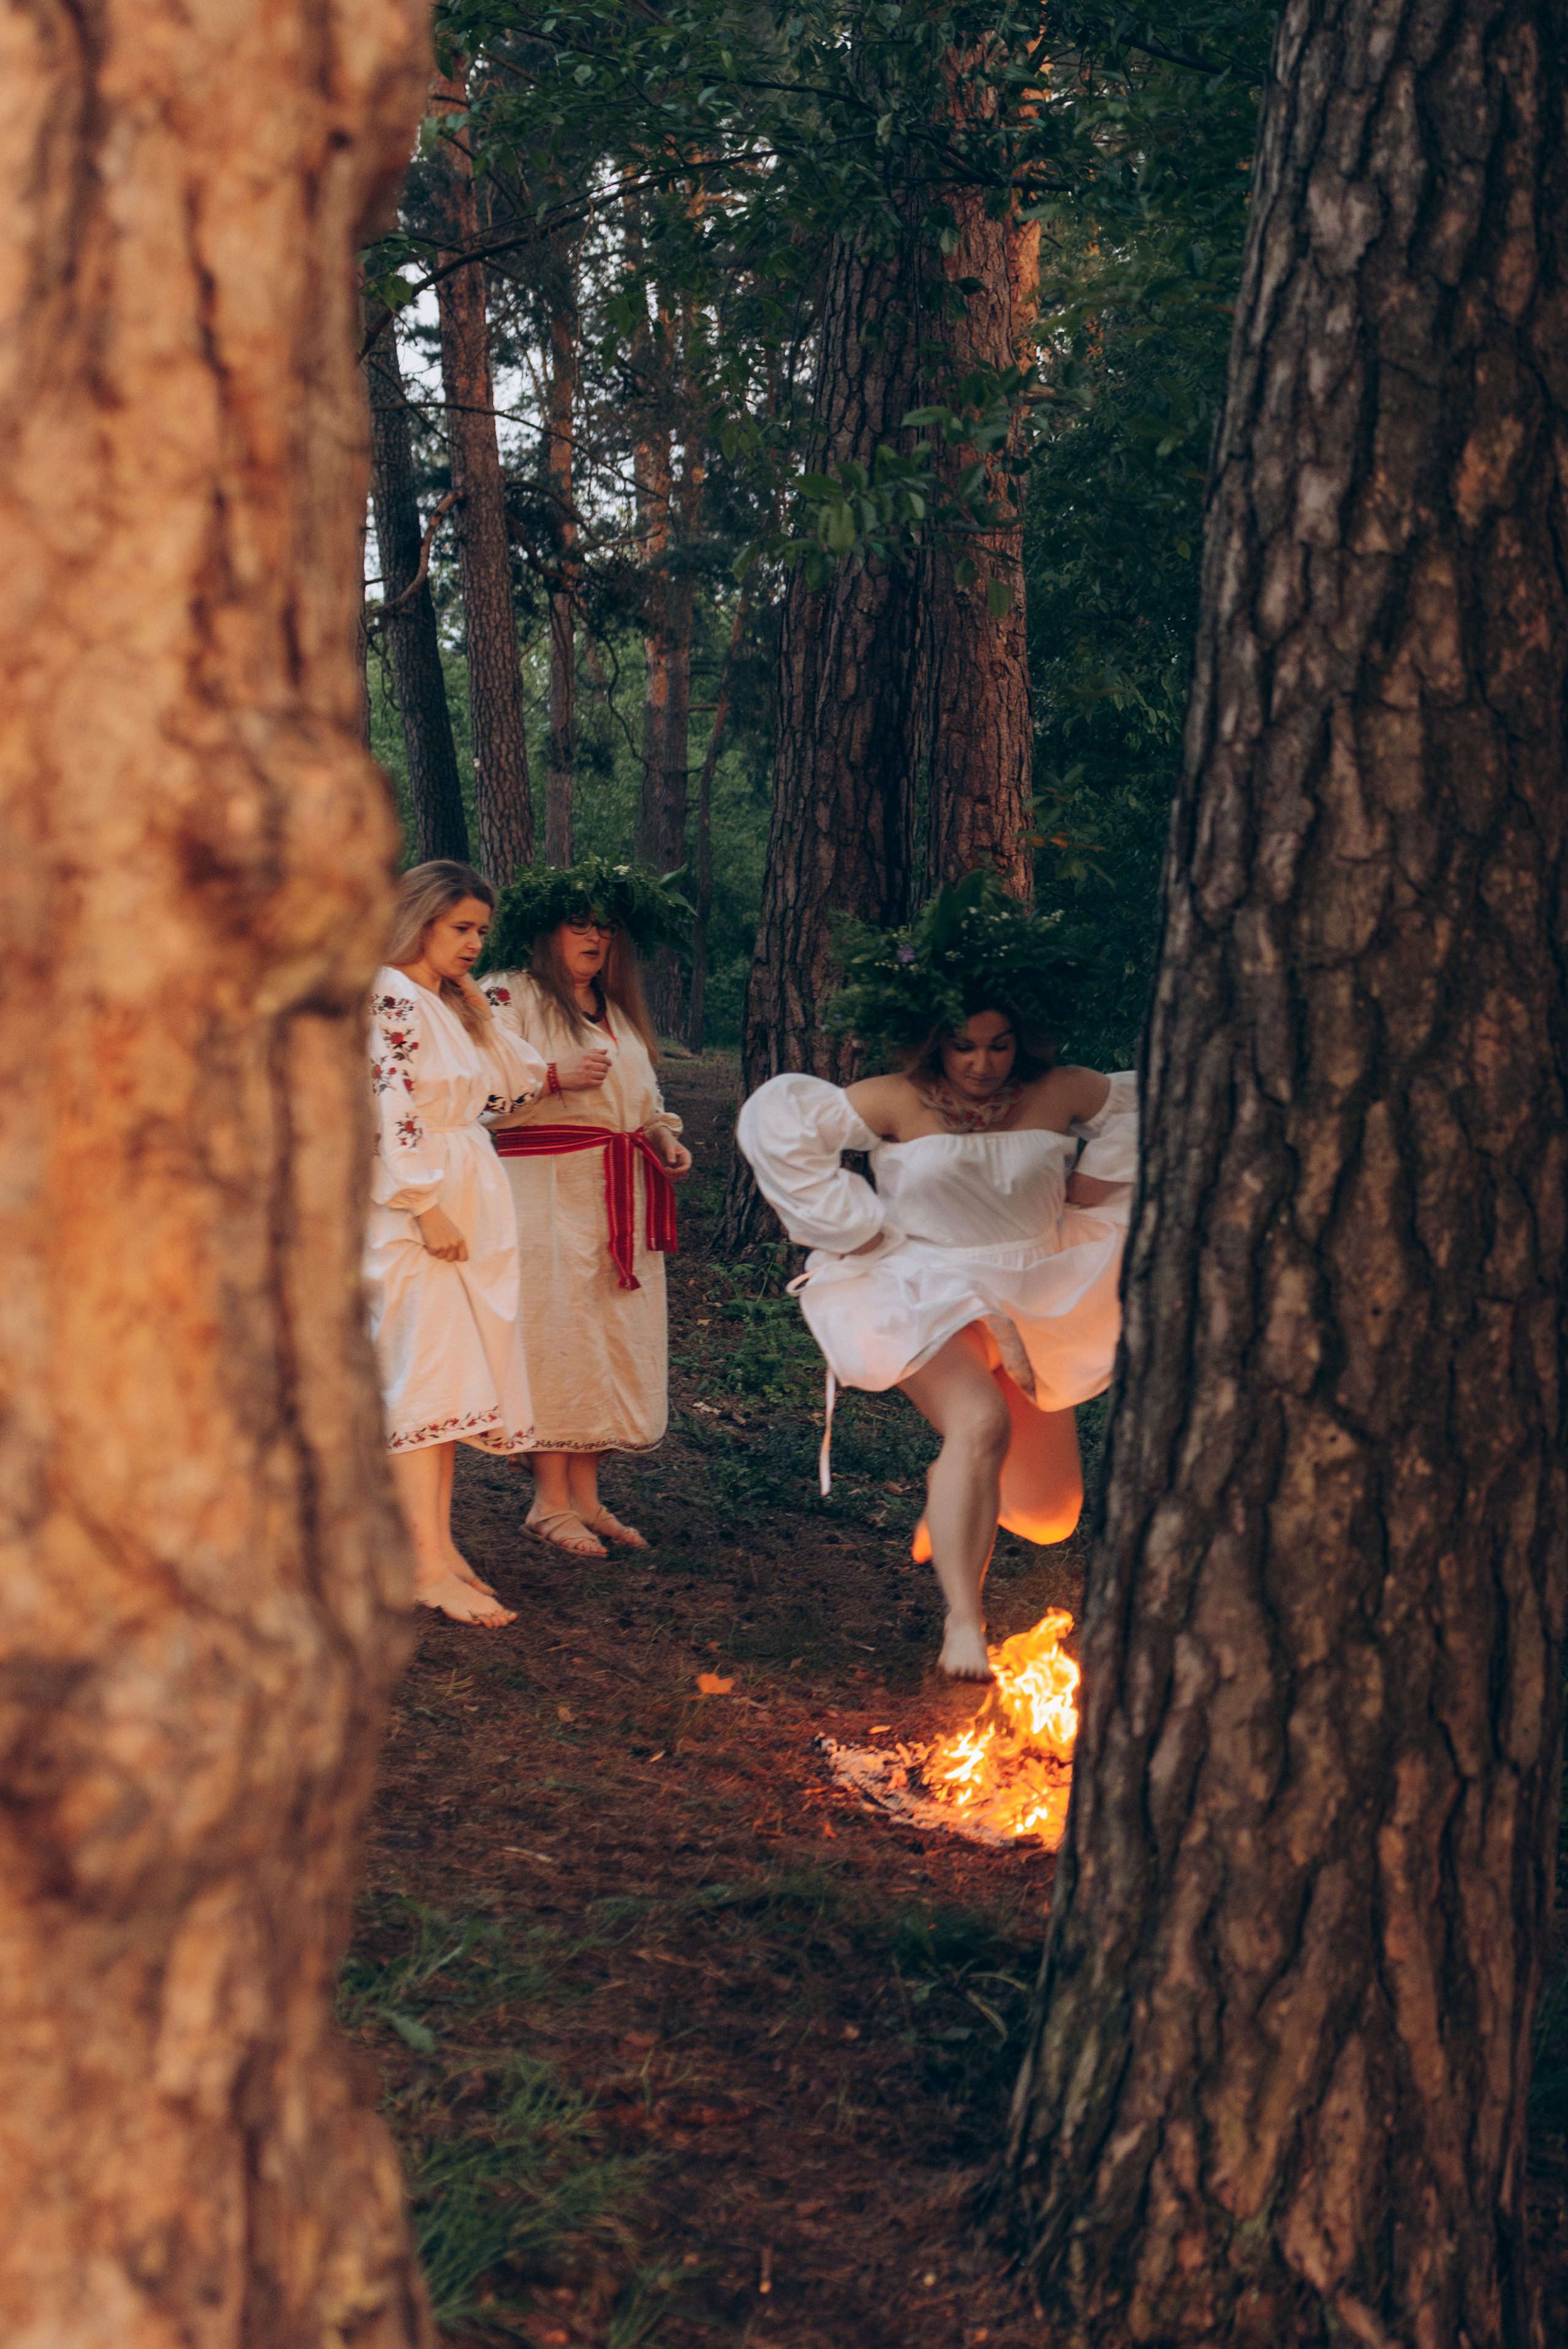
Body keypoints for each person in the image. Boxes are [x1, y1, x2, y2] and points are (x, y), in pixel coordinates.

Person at [736, 873, 1137, 1679]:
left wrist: (1091, 1190)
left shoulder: (1058, 1091)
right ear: (934, 1039)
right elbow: (778, 1123)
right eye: (964, 1044)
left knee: (1053, 1513)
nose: (983, 1063)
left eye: (998, 1043)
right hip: (925, 1288)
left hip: (1031, 1290)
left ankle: (946, 1498)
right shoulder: (896, 1099)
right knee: (980, 1424)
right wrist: (858, 1224)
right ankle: (964, 1625)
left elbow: (1141, 1103)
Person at [478, 857, 694, 1556]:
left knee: (610, 1337)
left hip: (618, 1196)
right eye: (580, 925)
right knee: (557, 1337)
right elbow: (469, 1092)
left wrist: (661, 1135)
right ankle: (547, 1502)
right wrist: (549, 1076)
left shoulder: (618, 1011)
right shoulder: (506, 996)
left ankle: (588, 1498)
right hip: (545, 1193)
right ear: (547, 931)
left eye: (603, 927)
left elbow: (643, 1096)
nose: (595, 938)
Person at [366, 860, 550, 1627]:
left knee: (449, 1385)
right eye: (460, 929)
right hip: (416, 1204)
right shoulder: (384, 996)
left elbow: (521, 1081)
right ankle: (416, 1562)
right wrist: (422, 1205)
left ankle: (435, 1547)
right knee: (424, 1375)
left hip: (466, 1189)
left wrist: (475, 1004)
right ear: (420, 919)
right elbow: (384, 1101)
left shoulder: (443, 1000)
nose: (475, 943)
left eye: (482, 931)